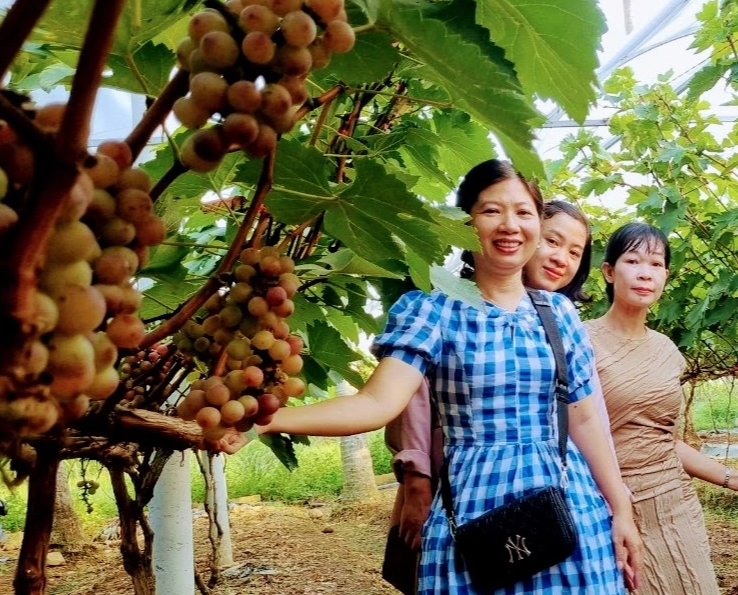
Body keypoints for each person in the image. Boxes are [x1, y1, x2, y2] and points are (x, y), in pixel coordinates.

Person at [221, 160, 641, 593]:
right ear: (464, 224)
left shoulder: (560, 314)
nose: (509, 225)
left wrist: (621, 508)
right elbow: (376, 403)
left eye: (523, 212)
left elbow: (587, 420)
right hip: (476, 504)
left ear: (536, 222)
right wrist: (266, 419)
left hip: (567, 506)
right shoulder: (433, 310)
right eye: (491, 211)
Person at [386, 200, 611, 556]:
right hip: (460, 485)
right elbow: (412, 400)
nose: (561, 258)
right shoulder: (451, 311)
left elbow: (588, 418)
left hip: (557, 487)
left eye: (575, 252)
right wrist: (417, 481)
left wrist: (613, 499)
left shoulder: (562, 320)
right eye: (552, 242)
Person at [584, 222, 738, 595]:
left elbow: (666, 441)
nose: (645, 272)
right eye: (633, 261)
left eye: (655, 263)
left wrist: (733, 479)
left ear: (666, 274)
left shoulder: (667, 351)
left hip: (674, 503)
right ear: (608, 271)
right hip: (608, 508)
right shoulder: (581, 340)